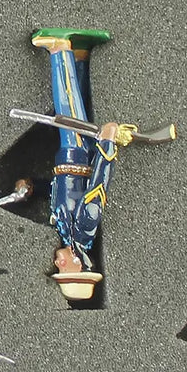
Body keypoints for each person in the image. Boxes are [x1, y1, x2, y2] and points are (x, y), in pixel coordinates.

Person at [29, 28, 120, 301]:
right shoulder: (84, 228)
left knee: (80, 111)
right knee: (68, 109)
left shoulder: (67, 232)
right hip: (78, 158)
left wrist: (35, 187)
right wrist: (107, 145)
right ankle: (60, 50)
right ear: (78, 264)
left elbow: (60, 194)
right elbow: (98, 187)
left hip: (67, 164)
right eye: (64, 268)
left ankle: (80, 56)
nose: (58, 263)